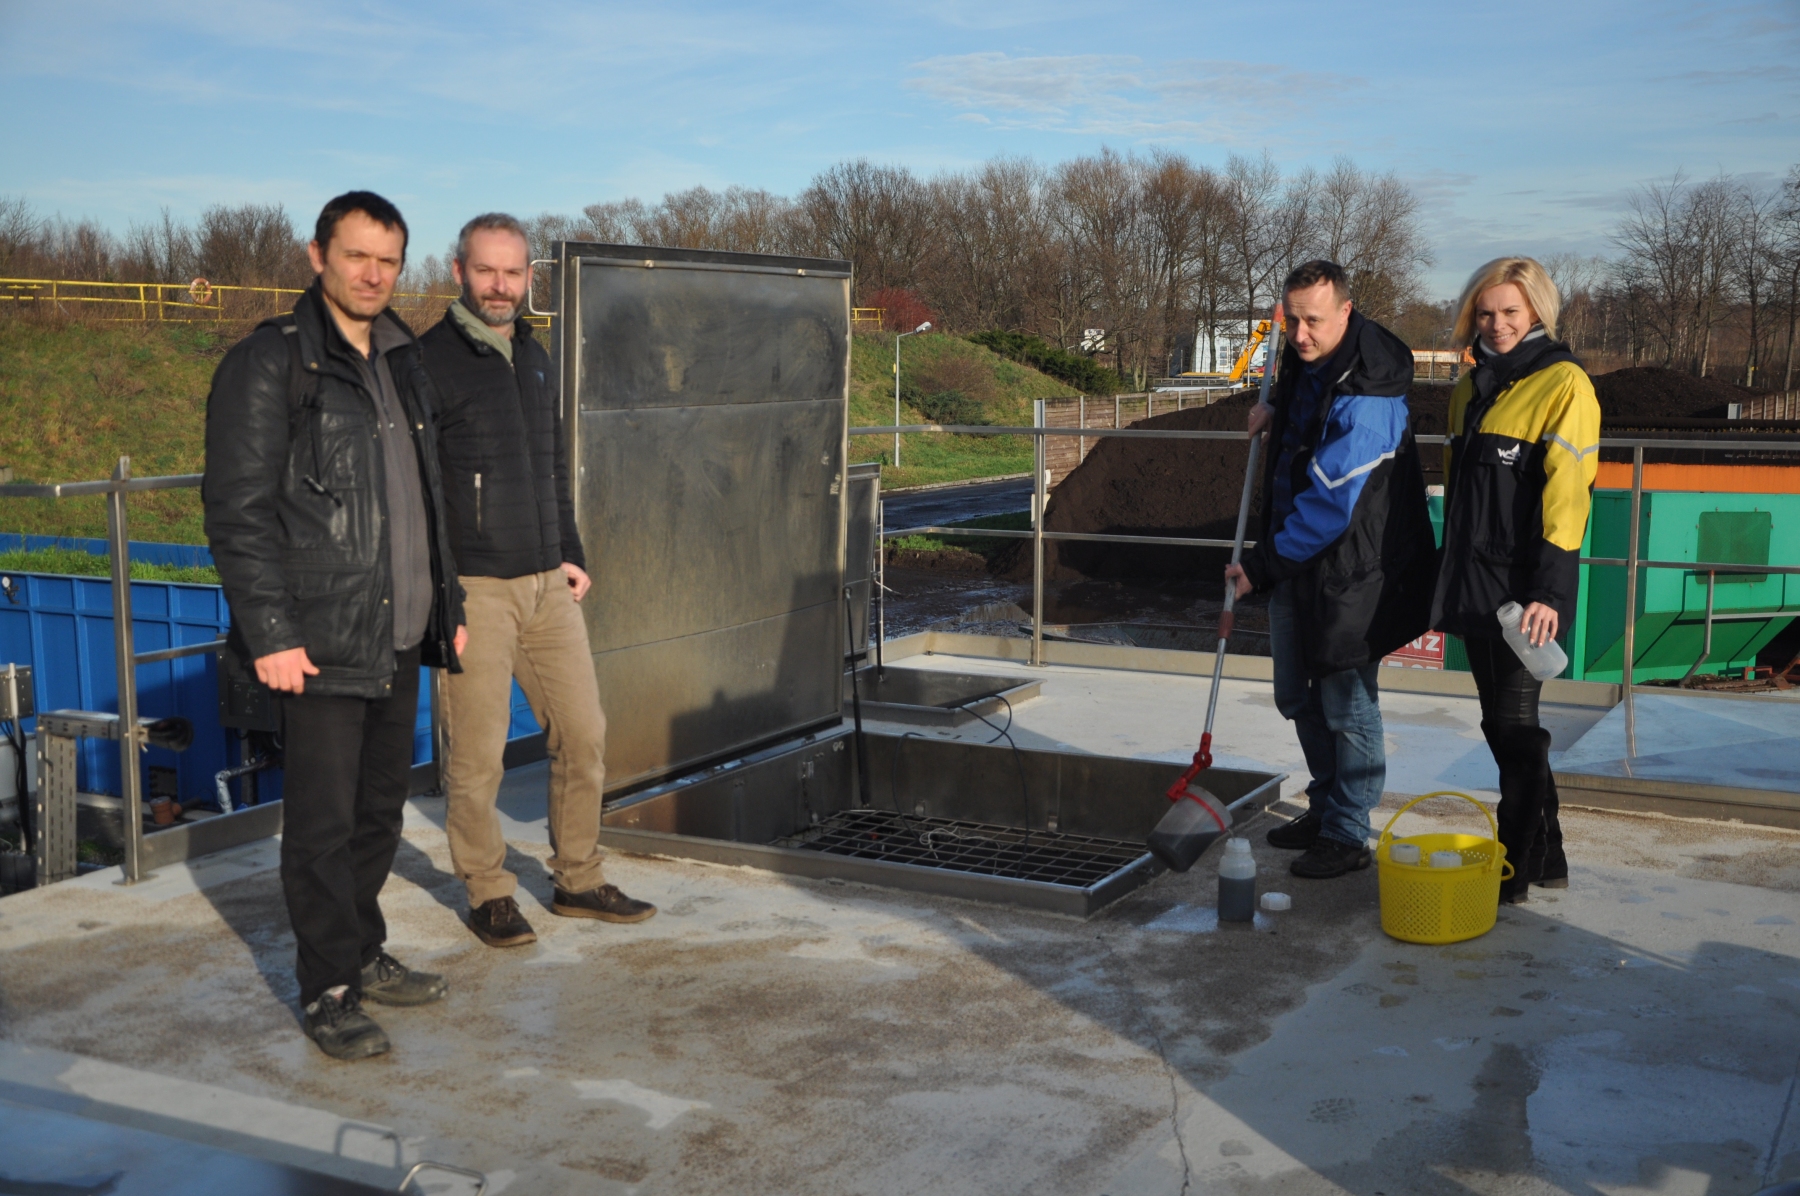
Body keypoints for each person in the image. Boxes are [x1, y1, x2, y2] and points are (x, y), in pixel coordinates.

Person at [205, 191, 467, 1060]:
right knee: (321, 828)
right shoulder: (271, 362)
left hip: (399, 629)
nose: (373, 274)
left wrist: (449, 609)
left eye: (388, 260)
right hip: (317, 640)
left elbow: (427, 500)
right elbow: (238, 512)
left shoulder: (403, 357)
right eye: (357, 255)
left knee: (378, 814)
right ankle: (328, 990)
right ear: (316, 255)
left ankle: (361, 950)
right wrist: (271, 632)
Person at [420, 212, 654, 948]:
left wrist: (569, 550)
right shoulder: (426, 362)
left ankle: (577, 878)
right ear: (459, 272)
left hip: (547, 582)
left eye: (513, 272)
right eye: (486, 270)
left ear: (529, 277)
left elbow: (551, 463)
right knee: (477, 755)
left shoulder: (534, 355)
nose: (500, 285)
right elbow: (419, 490)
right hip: (476, 589)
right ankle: (487, 891)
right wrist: (443, 593)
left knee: (584, 734)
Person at [1226, 260, 1437, 879]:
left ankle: (1348, 830)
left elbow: (1331, 501)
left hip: (1352, 569)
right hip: (1300, 557)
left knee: (1347, 702)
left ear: (1346, 311)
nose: (1300, 334)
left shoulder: (1370, 392)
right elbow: (1308, 416)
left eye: (1313, 321)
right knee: (1295, 694)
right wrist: (1276, 410)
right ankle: (1325, 807)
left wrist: (1261, 565)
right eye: (1292, 321)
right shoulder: (1310, 359)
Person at [1429, 257, 1599, 904]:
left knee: (1516, 725)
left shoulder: (1563, 384)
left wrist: (1549, 594)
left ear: (1536, 313)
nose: (1496, 324)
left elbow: (1568, 498)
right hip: (1476, 582)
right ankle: (1549, 855)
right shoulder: (1469, 390)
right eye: (1485, 312)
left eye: (1510, 311)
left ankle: (1513, 869)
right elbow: (1460, 497)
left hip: (1526, 592)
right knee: (1498, 725)